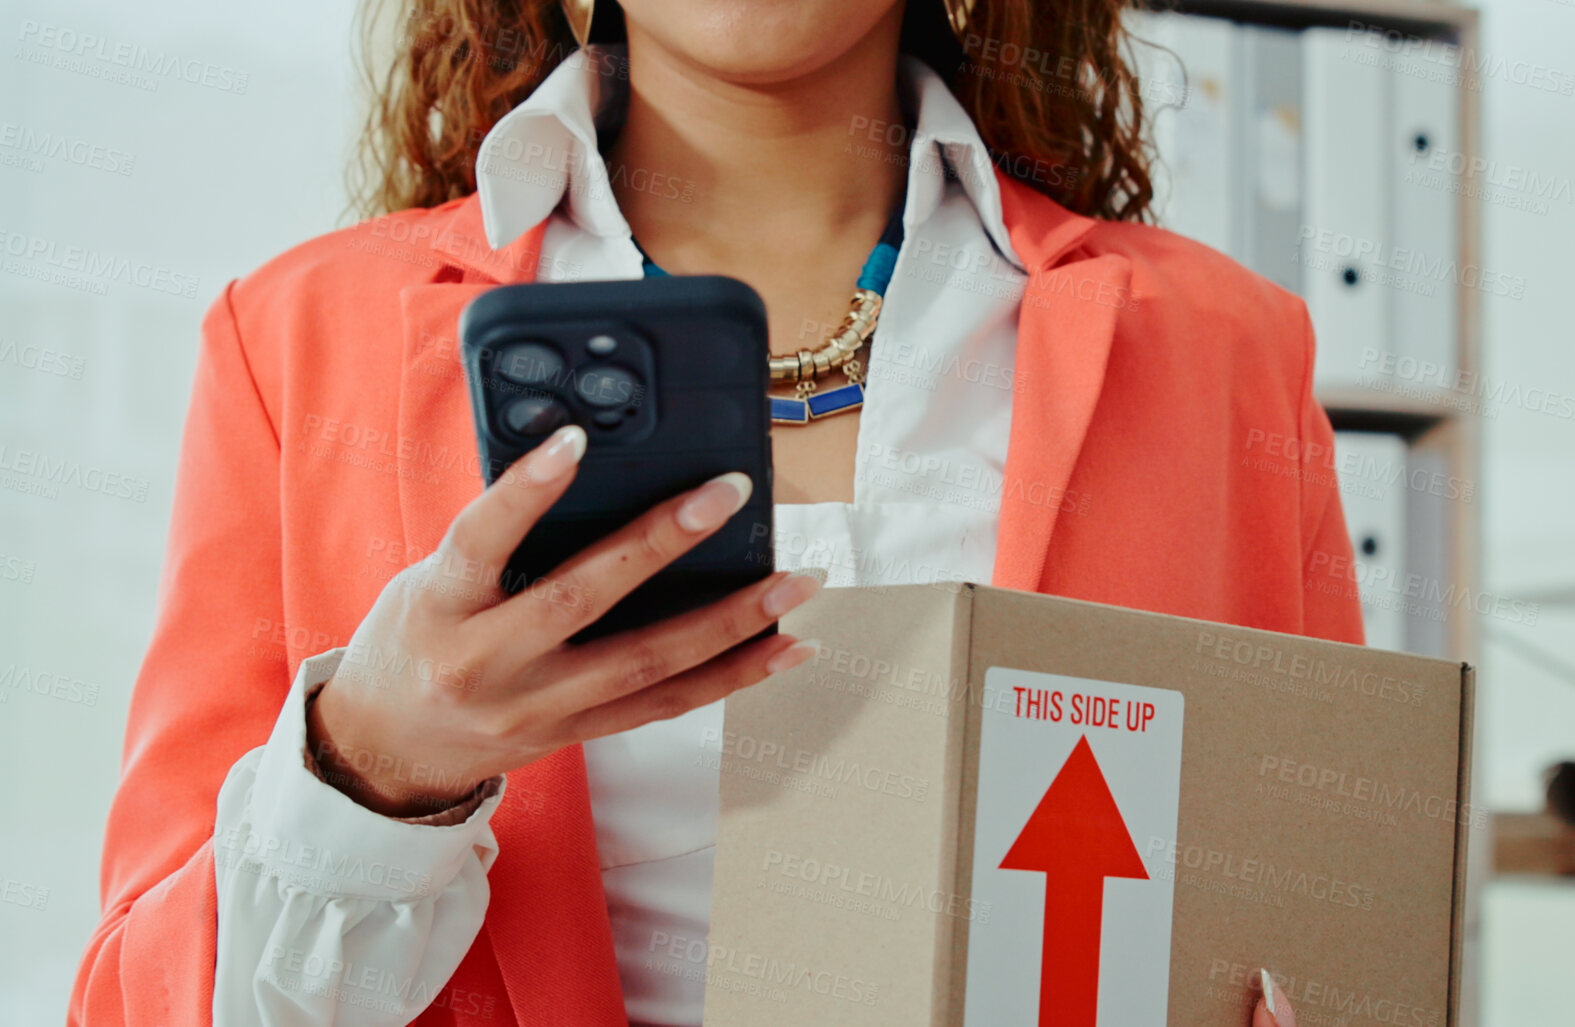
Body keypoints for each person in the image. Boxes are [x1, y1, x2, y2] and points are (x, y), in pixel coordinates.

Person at [69, 0, 1363, 1023]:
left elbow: (1341, 906)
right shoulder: (297, 344)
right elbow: (140, 1006)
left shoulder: (1227, 349)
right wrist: (373, 770)